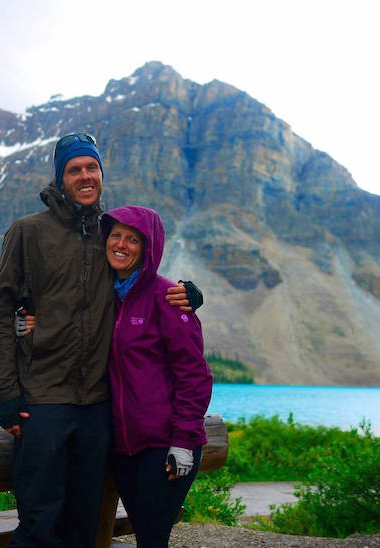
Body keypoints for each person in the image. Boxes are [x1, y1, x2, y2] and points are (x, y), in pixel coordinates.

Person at [0, 133, 202, 547]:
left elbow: (141, 284)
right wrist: (6, 393)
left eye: (91, 168)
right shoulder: (28, 232)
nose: (85, 176)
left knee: (85, 526)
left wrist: (188, 295)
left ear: (101, 174)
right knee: (38, 524)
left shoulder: (110, 235)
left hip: (97, 410)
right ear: (60, 177)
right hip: (44, 401)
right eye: (74, 169)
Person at [102, 205, 213, 547]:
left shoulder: (168, 298)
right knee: (148, 536)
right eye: (116, 235)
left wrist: (183, 441)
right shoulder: (105, 297)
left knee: (151, 537)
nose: (121, 244)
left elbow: (194, 375)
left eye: (132, 239)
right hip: (125, 448)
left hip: (165, 444)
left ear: (148, 248)